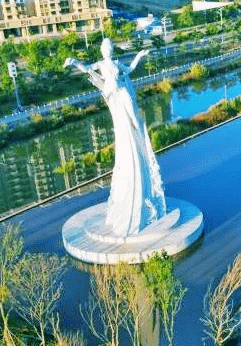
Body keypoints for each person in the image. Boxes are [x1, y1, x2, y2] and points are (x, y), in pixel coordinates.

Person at [64, 38, 166, 236]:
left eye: (110, 47)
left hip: (123, 92)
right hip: (113, 96)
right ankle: (137, 138)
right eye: (105, 48)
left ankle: (141, 137)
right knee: (123, 127)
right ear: (102, 50)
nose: (108, 50)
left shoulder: (117, 64)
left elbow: (129, 70)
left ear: (111, 49)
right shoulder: (101, 64)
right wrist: (74, 61)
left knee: (135, 122)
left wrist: (139, 56)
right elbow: (86, 69)